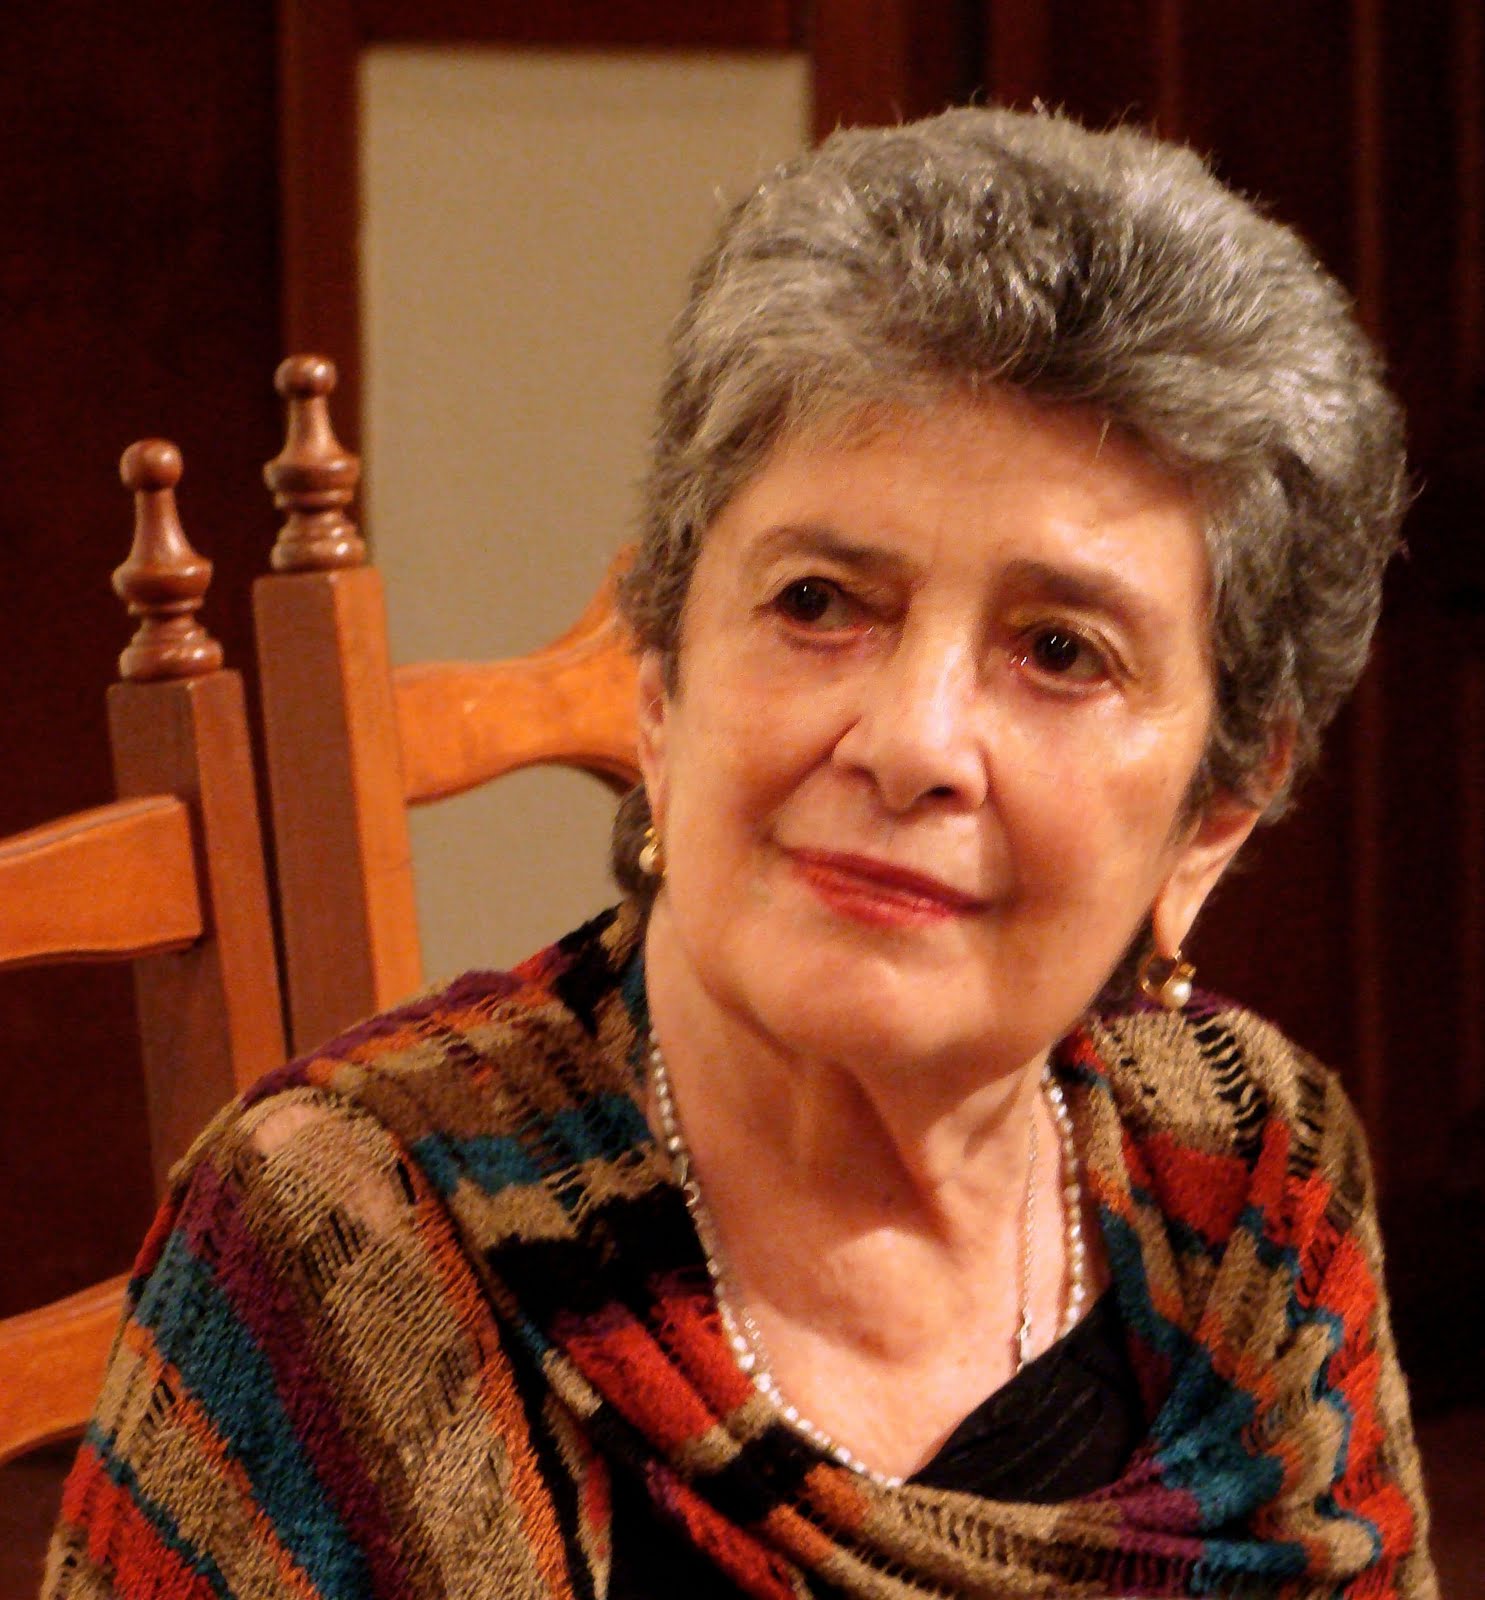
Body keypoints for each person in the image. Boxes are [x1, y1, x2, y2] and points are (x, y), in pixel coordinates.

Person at [46, 106, 1436, 1598]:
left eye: (1058, 650)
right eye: (819, 602)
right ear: (659, 684)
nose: (912, 742)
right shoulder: (345, 1245)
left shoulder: (1246, 1181)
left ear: (1214, 813)